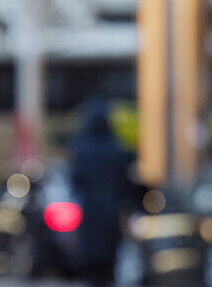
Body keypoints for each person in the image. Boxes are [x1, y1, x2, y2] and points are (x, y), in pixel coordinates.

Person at [70, 99, 134, 287]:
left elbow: (76, 180)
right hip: (111, 209)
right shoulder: (116, 148)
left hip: (89, 210)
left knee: (91, 264)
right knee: (108, 263)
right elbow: (125, 182)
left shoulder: (81, 149)